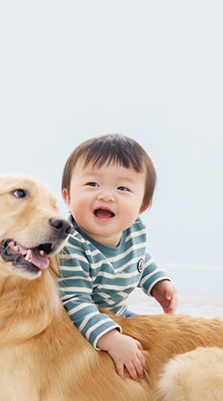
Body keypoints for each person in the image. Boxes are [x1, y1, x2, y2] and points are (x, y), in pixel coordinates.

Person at [58, 134, 178, 381]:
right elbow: (75, 302)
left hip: (118, 315)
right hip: (75, 327)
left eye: (122, 188)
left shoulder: (134, 230)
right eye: (92, 184)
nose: (106, 196)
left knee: (159, 344)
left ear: (142, 206)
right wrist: (112, 340)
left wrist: (156, 283)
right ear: (68, 198)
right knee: (117, 364)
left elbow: (140, 258)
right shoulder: (71, 247)